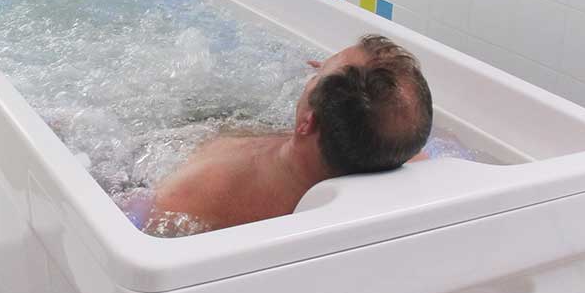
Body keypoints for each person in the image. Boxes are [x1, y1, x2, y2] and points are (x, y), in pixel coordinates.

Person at [144, 33, 433, 234]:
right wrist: (331, 84)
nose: (314, 71)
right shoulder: (398, 150)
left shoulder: (195, 192)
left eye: (317, 76)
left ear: (307, 123)